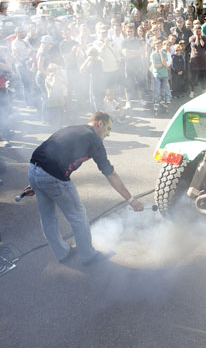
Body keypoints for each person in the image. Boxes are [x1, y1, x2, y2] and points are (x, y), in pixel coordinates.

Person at [27, 112, 144, 265]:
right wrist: (131, 199)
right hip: (52, 176)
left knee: (48, 218)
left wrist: (37, 181)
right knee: (78, 216)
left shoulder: (73, 129)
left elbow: (48, 151)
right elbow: (110, 173)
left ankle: (62, 253)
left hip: (34, 168)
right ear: (99, 123)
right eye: (108, 129)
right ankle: (88, 256)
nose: (108, 134)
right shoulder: (93, 139)